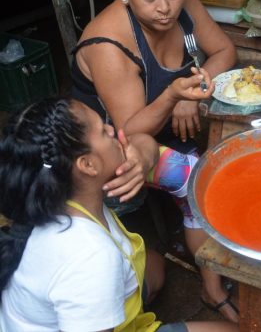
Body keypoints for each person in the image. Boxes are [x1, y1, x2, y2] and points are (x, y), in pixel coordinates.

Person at [70, 0, 239, 321]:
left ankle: (211, 288)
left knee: (204, 181)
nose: (164, 7)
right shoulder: (108, 43)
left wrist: (188, 95)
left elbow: (225, 50)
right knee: (150, 282)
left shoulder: (182, 3)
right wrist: (172, 99)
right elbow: (131, 131)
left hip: (161, 136)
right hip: (115, 155)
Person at [0, 98, 237, 332]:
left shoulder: (58, 194)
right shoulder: (91, 258)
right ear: (88, 165)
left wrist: (143, 159)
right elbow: (93, 265)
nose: (113, 129)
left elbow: (143, 142)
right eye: (104, 131)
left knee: (153, 263)